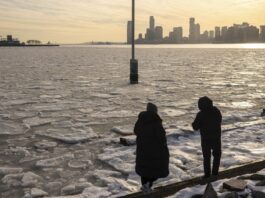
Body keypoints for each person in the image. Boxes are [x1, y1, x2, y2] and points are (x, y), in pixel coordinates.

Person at [134, 103, 169, 193]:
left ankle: (146, 186)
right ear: (155, 111)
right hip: (154, 151)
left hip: (142, 150)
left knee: (144, 170)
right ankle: (147, 185)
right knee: (154, 170)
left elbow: (136, 131)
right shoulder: (156, 122)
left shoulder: (141, 120)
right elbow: (162, 139)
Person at [192, 96, 222, 178]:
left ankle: (207, 175)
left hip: (206, 139)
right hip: (216, 137)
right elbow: (219, 121)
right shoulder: (216, 111)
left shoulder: (201, 114)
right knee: (216, 155)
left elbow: (195, 127)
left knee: (206, 157)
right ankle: (215, 173)